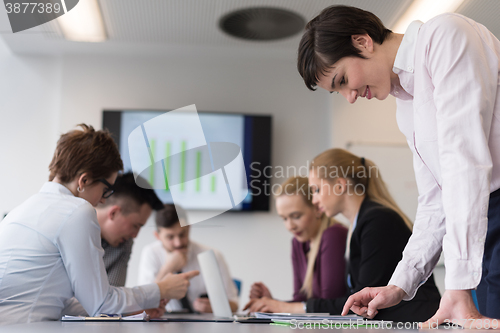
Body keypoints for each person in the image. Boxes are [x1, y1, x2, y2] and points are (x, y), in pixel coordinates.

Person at [297, 5, 500, 325]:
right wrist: (399, 285)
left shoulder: (443, 35)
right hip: (487, 219)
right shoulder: (406, 104)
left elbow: (465, 163)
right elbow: (435, 200)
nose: (349, 96)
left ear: (362, 42)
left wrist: (459, 285)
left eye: (343, 80)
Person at [0, 124, 198, 325]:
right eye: (106, 190)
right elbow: (102, 303)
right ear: (83, 181)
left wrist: (133, 309)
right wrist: (161, 290)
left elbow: (62, 302)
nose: (103, 200)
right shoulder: (77, 211)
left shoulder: (21, 210)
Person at [244, 176, 348, 313]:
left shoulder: (333, 235)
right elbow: (301, 300)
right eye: (284, 219)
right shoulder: (298, 242)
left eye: (296, 216)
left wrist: (278, 305)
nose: (290, 226)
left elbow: (329, 303)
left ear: (317, 208)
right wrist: (272, 302)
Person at [138, 204, 239, 313]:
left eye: (182, 234)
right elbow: (143, 302)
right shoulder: (151, 253)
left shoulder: (212, 255)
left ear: (189, 228)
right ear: (158, 236)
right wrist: (168, 268)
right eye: (170, 237)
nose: (178, 243)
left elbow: (234, 303)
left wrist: (213, 308)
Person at [96, 172, 163, 287]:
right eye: (135, 226)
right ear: (114, 213)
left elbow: (114, 297)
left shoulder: (123, 244)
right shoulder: (69, 228)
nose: (135, 235)